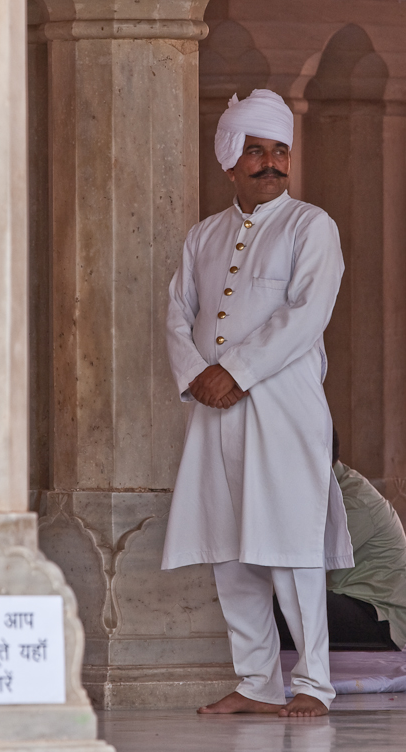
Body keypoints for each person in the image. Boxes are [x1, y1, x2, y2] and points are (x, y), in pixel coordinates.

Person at [161, 89, 354, 718]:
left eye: (279, 151)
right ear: (229, 159)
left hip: (284, 408)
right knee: (228, 542)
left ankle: (313, 684)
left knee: (289, 540)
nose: (271, 162)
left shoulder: (310, 226)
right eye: (255, 151)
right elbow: (176, 315)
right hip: (213, 407)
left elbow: (307, 315)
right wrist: (197, 376)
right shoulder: (203, 236)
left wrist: (237, 371)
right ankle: (256, 681)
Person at [276, 430, 406, 652]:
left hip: (380, 615)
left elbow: (305, 560)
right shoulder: (332, 486)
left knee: (273, 612)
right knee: (267, 610)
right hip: (353, 601)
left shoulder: (355, 501)